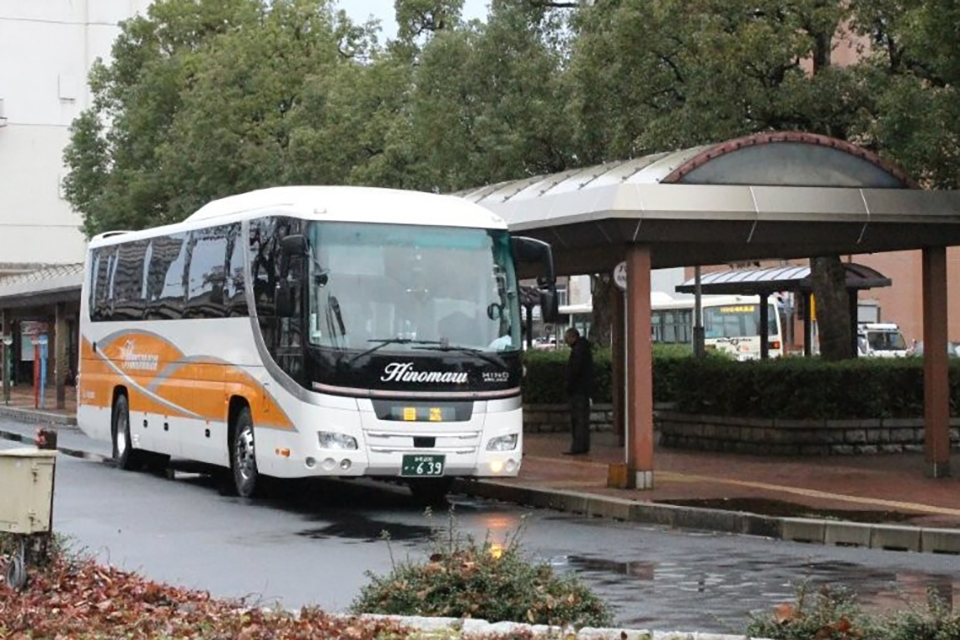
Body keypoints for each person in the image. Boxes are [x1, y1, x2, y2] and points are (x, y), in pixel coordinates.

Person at [564, 327, 593, 455]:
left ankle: (578, 446)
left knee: (578, 419)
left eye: (567, 338)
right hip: (584, 389)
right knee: (583, 419)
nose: (566, 341)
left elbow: (574, 371)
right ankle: (583, 445)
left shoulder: (578, 351)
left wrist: (569, 384)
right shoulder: (584, 349)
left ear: (573, 337)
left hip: (578, 390)